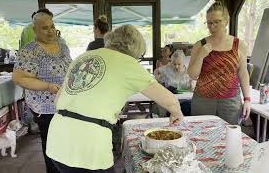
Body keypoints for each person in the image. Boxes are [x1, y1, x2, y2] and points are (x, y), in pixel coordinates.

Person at [46, 25, 184, 172]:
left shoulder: (83, 57)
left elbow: (58, 100)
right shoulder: (128, 63)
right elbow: (170, 100)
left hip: (56, 138)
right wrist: (177, 113)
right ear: (135, 50)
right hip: (87, 145)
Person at [13, 12, 72, 173]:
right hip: (45, 107)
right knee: (52, 143)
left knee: (66, 141)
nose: (50, 31)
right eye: (44, 28)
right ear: (35, 29)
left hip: (65, 102)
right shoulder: (29, 51)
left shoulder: (62, 44)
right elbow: (19, 78)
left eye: (52, 26)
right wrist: (48, 86)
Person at [187, 1, 251, 124]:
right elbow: (192, 75)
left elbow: (243, 73)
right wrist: (200, 56)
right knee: (201, 136)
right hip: (203, 100)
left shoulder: (239, 45)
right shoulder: (200, 45)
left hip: (230, 101)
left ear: (226, 21)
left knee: (229, 137)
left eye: (217, 22)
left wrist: (247, 99)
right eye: (209, 23)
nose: (212, 26)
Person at [155, 50, 193, 116]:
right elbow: (156, 71)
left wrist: (193, 84)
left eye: (179, 64)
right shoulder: (167, 68)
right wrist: (158, 80)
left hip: (185, 100)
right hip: (171, 101)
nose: (176, 66)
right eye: (174, 64)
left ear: (183, 63)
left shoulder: (189, 70)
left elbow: (195, 81)